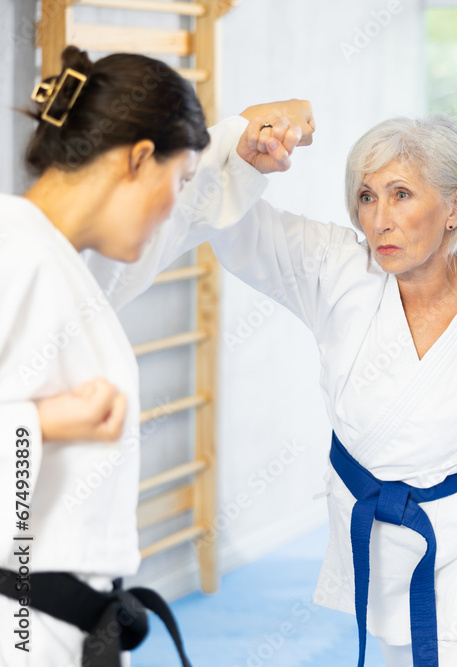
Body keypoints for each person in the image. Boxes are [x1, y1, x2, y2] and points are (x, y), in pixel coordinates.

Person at [141, 113, 457, 667]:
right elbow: (237, 228)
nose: (379, 219)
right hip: (378, 534)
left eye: (401, 194)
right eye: (366, 196)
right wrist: (240, 155)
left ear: (456, 207)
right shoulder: (337, 270)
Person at [0, 46, 310, 666]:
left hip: (68, 621)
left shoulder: (71, 262)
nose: (177, 204)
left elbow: (184, 213)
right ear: (139, 159)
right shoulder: (13, 254)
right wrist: (44, 426)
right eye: (179, 180)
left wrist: (248, 142)